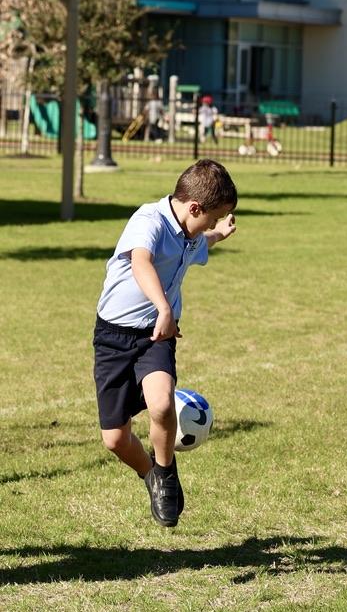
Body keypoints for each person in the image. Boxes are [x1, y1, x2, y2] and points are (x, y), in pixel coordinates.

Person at [93, 159, 238, 526]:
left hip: (156, 335)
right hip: (113, 337)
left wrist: (219, 233)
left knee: (161, 404)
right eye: (211, 218)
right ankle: (150, 475)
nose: (209, 225)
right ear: (195, 208)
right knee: (115, 440)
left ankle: (166, 472)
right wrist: (164, 307)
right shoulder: (149, 221)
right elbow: (141, 262)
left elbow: (201, 241)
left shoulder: (191, 233)